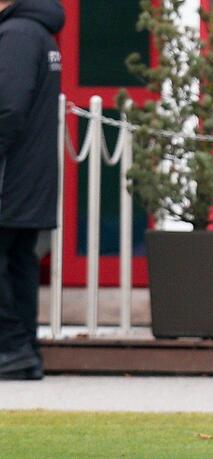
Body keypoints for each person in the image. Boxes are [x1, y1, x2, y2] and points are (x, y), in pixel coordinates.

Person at [0, 0, 64, 380]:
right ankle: (22, 350)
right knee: (20, 263)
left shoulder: (16, 34)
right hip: (28, 178)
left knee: (14, 263)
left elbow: (7, 108)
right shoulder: (38, 33)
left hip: (10, 177)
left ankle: (12, 348)